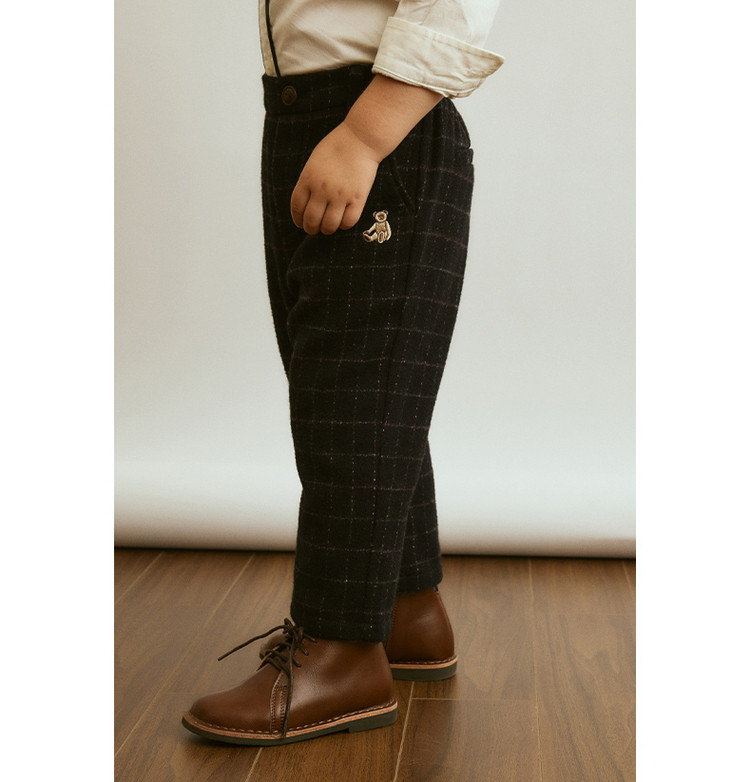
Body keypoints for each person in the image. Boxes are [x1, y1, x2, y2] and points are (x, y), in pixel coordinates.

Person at [181, 0, 503, 746]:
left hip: (378, 119)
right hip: (305, 115)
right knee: (351, 393)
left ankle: (342, 648)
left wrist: (363, 136)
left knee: (356, 397)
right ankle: (404, 611)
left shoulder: (367, 130)